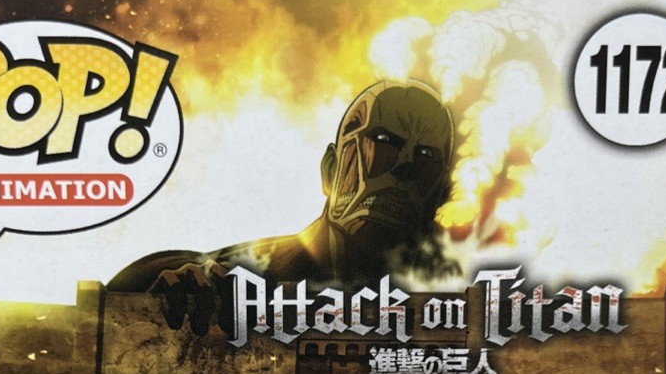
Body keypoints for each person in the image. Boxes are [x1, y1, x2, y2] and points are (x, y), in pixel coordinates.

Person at [108, 80, 457, 328]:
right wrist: (166, 289)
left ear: (440, 194)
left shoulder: (456, 297)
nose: (404, 166)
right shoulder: (251, 274)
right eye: (383, 143)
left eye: (426, 157)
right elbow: (139, 283)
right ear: (331, 170)